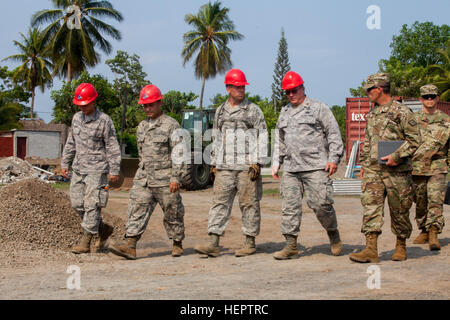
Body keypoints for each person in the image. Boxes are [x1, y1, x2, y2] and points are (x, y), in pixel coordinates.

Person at [194, 69, 267, 258]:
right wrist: (214, 162)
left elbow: (262, 136)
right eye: (237, 86)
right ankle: (213, 242)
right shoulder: (220, 110)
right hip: (225, 167)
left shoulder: (253, 110)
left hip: (246, 167)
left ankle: (250, 242)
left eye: (243, 86)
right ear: (228, 88)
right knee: (219, 203)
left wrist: (257, 161)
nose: (241, 89)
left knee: (249, 204)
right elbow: (216, 137)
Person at [271, 71, 344, 260]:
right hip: (291, 168)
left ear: (303, 88)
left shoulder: (318, 108)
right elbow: (280, 139)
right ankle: (291, 245)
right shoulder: (284, 112)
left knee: (321, 204)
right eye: (287, 92)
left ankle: (332, 232)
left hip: (315, 166)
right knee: (289, 207)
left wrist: (333, 159)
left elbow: (334, 133)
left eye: (294, 90)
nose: (291, 95)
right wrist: (276, 162)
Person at [109, 85, 186, 260]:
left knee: (172, 211)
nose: (147, 109)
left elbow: (179, 153)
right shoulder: (142, 127)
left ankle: (177, 243)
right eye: (145, 106)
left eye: (151, 105)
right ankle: (130, 244)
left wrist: (175, 177)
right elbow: (141, 153)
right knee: (136, 208)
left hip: (165, 179)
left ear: (159, 103)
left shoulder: (171, 125)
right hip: (145, 178)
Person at [349, 73, 420, 263]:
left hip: (397, 172)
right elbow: (367, 141)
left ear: (379, 89)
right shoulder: (372, 114)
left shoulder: (401, 112)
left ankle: (401, 246)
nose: (367, 93)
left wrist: (397, 156)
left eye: (369, 90)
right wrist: (364, 164)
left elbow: (415, 141)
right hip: (373, 171)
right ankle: (371, 250)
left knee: (399, 210)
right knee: (370, 208)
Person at [61, 83, 121, 254]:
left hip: (97, 169)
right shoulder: (76, 119)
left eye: (85, 104)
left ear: (93, 101)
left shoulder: (104, 120)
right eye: (80, 105)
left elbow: (112, 146)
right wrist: (65, 163)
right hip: (79, 168)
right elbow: (71, 142)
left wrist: (114, 169)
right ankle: (103, 230)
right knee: (77, 203)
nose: (82, 107)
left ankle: (85, 241)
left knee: (92, 204)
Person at [411, 84, 449, 251]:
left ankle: (434, 233)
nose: (429, 100)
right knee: (420, 202)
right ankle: (424, 230)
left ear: (437, 98)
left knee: (435, 200)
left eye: (432, 96)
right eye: (426, 97)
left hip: (438, 166)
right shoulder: (413, 120)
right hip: (417, 168)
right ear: (421, 99)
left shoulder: (446, 120)